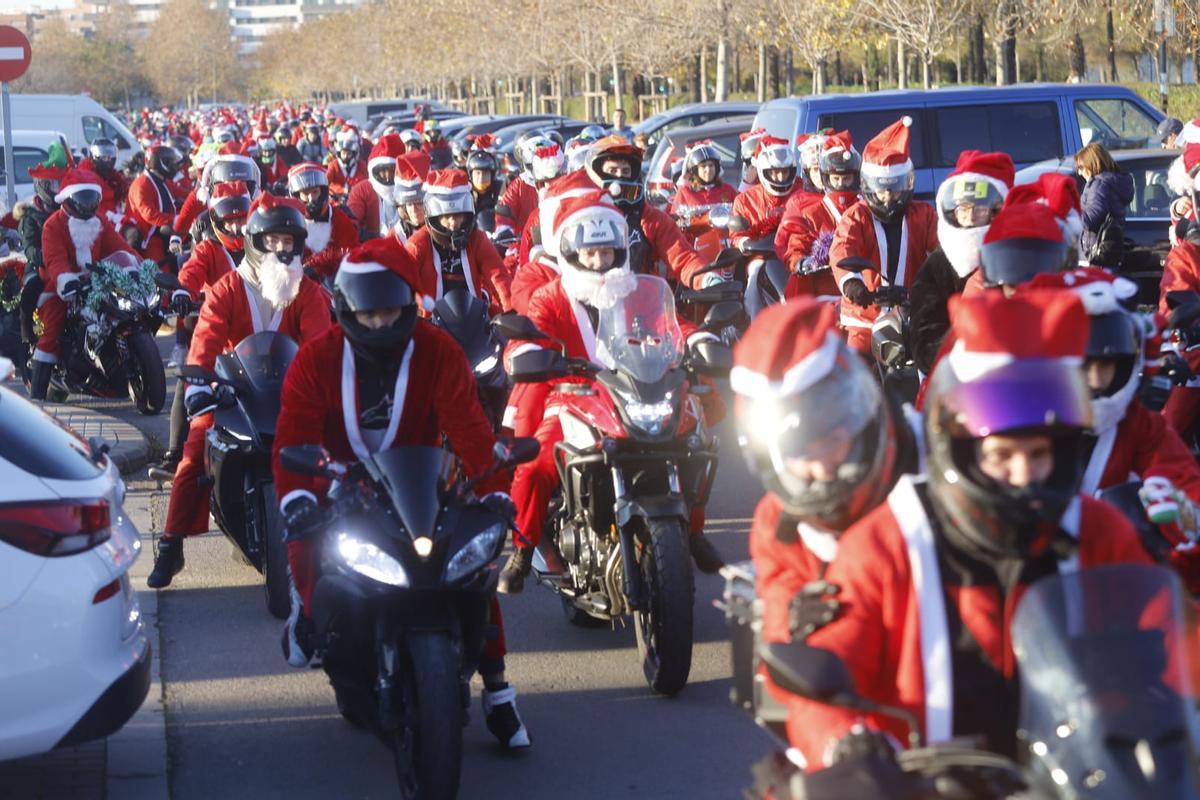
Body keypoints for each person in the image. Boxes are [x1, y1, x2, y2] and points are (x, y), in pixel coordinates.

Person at [783, 289, 1154, 767]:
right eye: (1002, 456)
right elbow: (826, 677)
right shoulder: (887, 541)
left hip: (1080, 782)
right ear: (959, 450)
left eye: (1039, 454)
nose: (1023, 475)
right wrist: (847, 744)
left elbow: (1163, 651)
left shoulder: (1099, 531)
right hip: (917, 789)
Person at [270, 238, 530, 749]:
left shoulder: (439, 350)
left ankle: (499, 687)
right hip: (339, 480)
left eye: (390, 311)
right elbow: (293, 437)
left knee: (470, 563)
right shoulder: (315, 358)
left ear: (409, 306)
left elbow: (472, 430)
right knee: (303, 544)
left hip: (419, 481)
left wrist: (495, 491)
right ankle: (310, 617)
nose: (380, 325)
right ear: (346, 310)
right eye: (367, 315)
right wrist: (299, 497)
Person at [498, 192, 724, 593]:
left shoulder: (636, 290)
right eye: (590, 254)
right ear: (572, 254)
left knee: (697, 441)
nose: (600, 262)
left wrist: (697, 337)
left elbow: (670, 324)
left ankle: (692, 529)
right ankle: (521, 548)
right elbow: (533, 332)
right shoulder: (550, 297)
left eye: (607, 253)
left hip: (636, 390)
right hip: (573, 396)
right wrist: (531, 353)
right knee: (534, 467)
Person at [146, 195, 333, 588]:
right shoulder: (227, 288)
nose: (282, 250)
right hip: (235, 389)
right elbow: (207, 336)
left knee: (334, 449)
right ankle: (170, 544)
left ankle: (339, 535)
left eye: (289, 242)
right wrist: (199, 381)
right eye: (273, 241)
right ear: (254, 242)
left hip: (289, 392)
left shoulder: (308, 291)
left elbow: (321, 344)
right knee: (194, 450)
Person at [736, 299, 918, 646]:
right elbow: (776, 591)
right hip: (847, 682)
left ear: (858, 420)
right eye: (800, 452)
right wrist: (789, 614)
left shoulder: (925, 463)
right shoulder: (778, 525)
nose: (821, 467)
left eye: (831, 441)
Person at [149, 184, 252, 483]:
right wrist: (183, 290)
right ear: (216, 222)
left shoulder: (258, 245)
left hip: (258, 336)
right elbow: (192, 271)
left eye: (241, 219)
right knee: (190, 379)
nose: (236, 226)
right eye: (229, 220)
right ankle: (175, 454)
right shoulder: (209, 249)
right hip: (219, 338)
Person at [830, 117, 938, 353]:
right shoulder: (856, 216)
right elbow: (842, 250)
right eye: (881, 190)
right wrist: (854, 287)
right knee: (856, 376)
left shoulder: (924, 214)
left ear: (907, 184)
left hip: (912, 314)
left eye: (895, 189)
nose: (888, 197)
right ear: (869, 186)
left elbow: (941, 253)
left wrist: (931, 287)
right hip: (864, 320)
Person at [29, 169, 137, 399]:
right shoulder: (53, 225)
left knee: (124, 310)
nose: (87, 207)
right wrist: (65, 279)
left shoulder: (100, 223)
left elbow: (120, 247)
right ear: (68, 200)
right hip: (61, 286)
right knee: (52, 328)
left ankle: (111, 364)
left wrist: (139, 265)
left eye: (91, 200)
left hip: (97, 282)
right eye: (81, 200)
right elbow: (54, 259)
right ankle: (37, 396)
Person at [908, 150, 1012, 375]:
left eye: (979, 209)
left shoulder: (1014, 254)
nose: (971, 216)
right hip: (951, 374)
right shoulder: (939, 263)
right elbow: (924, 336)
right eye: (964, 209)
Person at [402, 169, 511, 313]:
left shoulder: (477, 239)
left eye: (458, 215)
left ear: (467, 214)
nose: (453, 223)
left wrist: (511, 314)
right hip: (431, 324)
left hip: (474, 322)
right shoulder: (418, 244)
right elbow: (400, 279)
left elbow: (499, 278)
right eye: (446, 216)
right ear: (435, 216)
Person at [774, 131, 861, 300]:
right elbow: (793, 243)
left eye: (846, 177)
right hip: (822, 285)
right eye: (836, 178)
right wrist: (801, 262)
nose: (841, 183)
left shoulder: (863, 207)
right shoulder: (804, 206)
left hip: (861, 283)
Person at [730, 136, 803, 252]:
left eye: (785, 172)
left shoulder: (802, 193)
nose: (780, 177)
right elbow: (736, 236)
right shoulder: (744, 200)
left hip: (796, 255)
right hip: (759, 257)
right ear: (763, 170)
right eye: (775, 172)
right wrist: (744, 242)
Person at [287, 162, 359, 279]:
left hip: (337, 282)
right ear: (297, 196)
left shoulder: (338, 218)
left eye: (315, 192)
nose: (311, 199)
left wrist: (317, 264)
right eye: (305, 193)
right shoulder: (291, 222)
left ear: (323, 191)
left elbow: (352, 253)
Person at [668, 140, 738, 244]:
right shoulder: (685, 192)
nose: (708, 170)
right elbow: (675, 223)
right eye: (703, 166)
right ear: (694, 170)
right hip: (696, 248)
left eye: (711, 165)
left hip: (727, 247)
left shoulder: (728, 190)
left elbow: (742, 213)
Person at [1076, 142, 1133, 268]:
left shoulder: (1099, 185)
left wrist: (1070, 214)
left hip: (1095, 251)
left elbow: (1091, 219)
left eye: (1080, 167)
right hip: (1107, 249)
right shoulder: (1110, 182)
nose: (1079, 173)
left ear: (1091, 164)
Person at [127, 144, 183, 266]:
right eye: (169, 162)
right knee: (162, 273)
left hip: (165, 232)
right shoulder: (141, 184)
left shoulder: (163, 181)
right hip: (148, 238)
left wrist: (201, 193)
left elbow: (184, 193)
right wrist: (176, 220)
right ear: (158, 162)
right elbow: (149, 214)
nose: (173, 166)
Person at [347, 133, 404, 240]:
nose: (387, 177)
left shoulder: (407, 190)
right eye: (383, 171)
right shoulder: (362, 190)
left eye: (392, 171)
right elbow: (352, 220)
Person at [78, 138, 129, 223]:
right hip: (95, 223)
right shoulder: (85, 177)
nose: (109, 160)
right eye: (104, 157)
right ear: (94, 156)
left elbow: (125, 187)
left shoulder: (110, 174)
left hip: (112, 219)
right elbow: (89, 206)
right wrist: (114, 217)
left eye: (111, 156)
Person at [390, 153, 428, 244]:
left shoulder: (441, 233)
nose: (414, 210)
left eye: (419, 203)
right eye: (409, 204)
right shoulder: (397, 235)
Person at [326, 127, 367, 199]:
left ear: (354, 154)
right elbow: (327, 181)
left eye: (348, 154)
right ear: (339, 154)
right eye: (343, 153)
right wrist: (340, 191)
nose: (345, 156)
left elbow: (366, 182)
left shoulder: (361, 165)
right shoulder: (334, 165)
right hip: (337, 198)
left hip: (356, 198)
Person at [466, 148, 502, 214]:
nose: (481, 178)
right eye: (477, 173)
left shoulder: (500, 190)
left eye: (485, 173)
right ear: (471, 175)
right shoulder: (465, 193)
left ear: (492, 175)